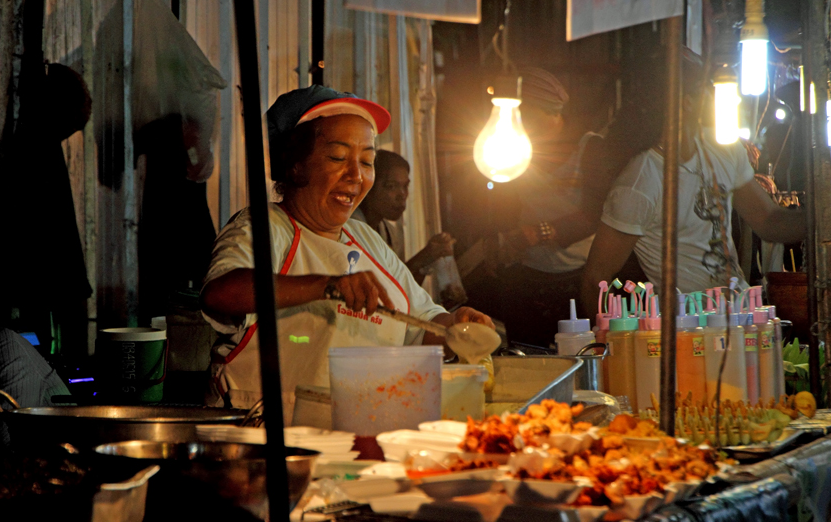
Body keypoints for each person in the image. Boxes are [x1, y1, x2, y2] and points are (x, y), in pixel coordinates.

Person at [200, 85, 494, 415]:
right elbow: (220, 293)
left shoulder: (365, 238)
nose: (356, 175)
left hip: (361, 425)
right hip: (264, 433)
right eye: (338, 158)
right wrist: (325, 286)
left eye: (367, 161)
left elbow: (421, 324)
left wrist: (455, 327)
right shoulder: (266, 226)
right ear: (296, 166)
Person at [580, 55, 806, 317]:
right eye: (707, 88)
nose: (714, 95)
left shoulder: (723, 149)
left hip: (742, 317)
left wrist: (820, 218)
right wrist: (607, 343)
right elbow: (595, 278)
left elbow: (769, 221)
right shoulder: (639, 184)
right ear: (686, 103)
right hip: (688, 330)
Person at [494, 68, 613, 347]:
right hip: (526, 275)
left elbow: (595, 215)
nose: (517, 122)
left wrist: (539, 232)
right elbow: (504, 203)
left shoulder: (590, 147)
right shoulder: (514, 147)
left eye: (523, 113)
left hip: (576, 277)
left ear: (549, 111)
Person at [352, 149, 455, 285]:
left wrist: (427, 260)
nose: (402, 195)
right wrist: (422, 257)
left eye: (405, 186)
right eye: (391, 186)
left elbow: (402, 290)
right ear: (369, 185)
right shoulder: (351, 228)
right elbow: (381, 286)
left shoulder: (389, 232)